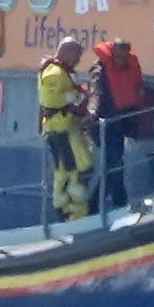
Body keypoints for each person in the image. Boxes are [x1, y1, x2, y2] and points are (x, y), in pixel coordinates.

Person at [90, 38, 151, 210]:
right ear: (112, 53)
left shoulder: (131, 65)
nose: (121, 61)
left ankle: (115, 202)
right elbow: (95, 92)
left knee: (116, 164)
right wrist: (92, 111)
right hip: (106, 123)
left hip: (123, 121)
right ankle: (98, 205)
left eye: (124, 57)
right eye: (118, 57)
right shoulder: (100, 69)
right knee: (114, 164)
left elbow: (138, 87)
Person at [38, 38, 92, 219]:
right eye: (77, 55)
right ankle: (68, 209)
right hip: (60, 129)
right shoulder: (54, 73)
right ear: (67, 53)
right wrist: (76, 96)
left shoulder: (64, 71)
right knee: (69, 168)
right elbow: (50, 99)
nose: (78, 59)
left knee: (77, 166)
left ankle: (76, 208)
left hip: (69, 127)